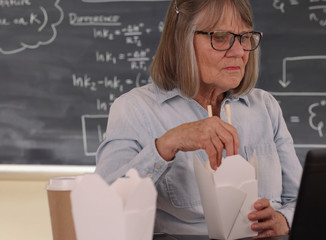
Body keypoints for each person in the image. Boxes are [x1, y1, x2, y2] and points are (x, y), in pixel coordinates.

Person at [95, 0, 302, 238]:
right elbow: (102, 207)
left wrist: (283, 219)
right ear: (181, 41)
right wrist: (167, 145)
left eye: (245, 37)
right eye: (221, 37)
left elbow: (300, 202)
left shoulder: (265, 107)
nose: (239, 52)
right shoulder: (134, 109)